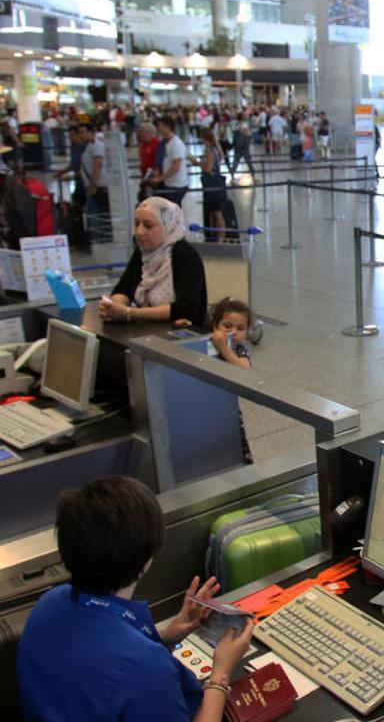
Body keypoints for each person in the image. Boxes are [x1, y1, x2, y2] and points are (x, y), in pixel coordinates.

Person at [17, 475, 256, 721]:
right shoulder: (145, 668)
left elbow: (96, 665)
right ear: (146, 559)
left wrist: (168, 635)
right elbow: (124, 666)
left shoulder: (49, 604)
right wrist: (221, 671)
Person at [100, 197, 208, 326]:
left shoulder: (184, 254)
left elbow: (185, 309)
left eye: (148, 225)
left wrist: (129, 313)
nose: (139, 232)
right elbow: (123, 289)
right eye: (136, 224)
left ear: (168, 225)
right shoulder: (142, 252)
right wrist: (113, 306)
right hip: (147, 331)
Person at [212, 296, 254, 463]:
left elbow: (244, 368)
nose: (233, 332)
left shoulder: (238, 349)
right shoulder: (207, 343)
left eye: (240, 328)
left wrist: (224, 349)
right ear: (215, 326)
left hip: (228, 407)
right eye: (227, 326)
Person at [192, 127, 227, 236]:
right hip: (215, 182)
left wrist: (196, 163)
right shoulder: (215, 149)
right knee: (214, 211)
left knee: (216, 212)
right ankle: (217, 236)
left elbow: (208, 168)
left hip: (211, 183)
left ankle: (220, 238)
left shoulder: (209, 151)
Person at [79, 125, 111, 243]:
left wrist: (92, 184)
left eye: (83, 132)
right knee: (96, 213)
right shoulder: (90, 146)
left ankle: (100, 240)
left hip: (98, 187)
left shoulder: (97, 146)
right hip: (95, 186)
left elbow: (97, 165)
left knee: (96, 213)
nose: (81, 135)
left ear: (91, 132)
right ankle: (98, 239)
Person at [151, 117, 190, 206]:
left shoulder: (176, 143)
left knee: (173, 212)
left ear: (168, 127)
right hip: (170, 183)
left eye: (161, 126)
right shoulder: (165, 143)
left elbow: (176, 166)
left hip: (177, 185)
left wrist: (160, 178)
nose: (159, 128)